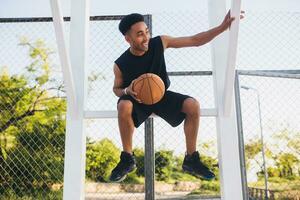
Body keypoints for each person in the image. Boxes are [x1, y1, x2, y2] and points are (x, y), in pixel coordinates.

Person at [109, 11, 244, 182]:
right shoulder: (120, 64)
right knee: (123, 105)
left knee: (193, 105)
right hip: (137, 99)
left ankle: (191, 159)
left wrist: (222, 28)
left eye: (147, 31)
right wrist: (127, 91)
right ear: (128, 39)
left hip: (162, 96)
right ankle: (127, 158)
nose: (146, 37)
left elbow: (195, 41)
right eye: (140, 34)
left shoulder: (160, 42)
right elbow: (116, 89)